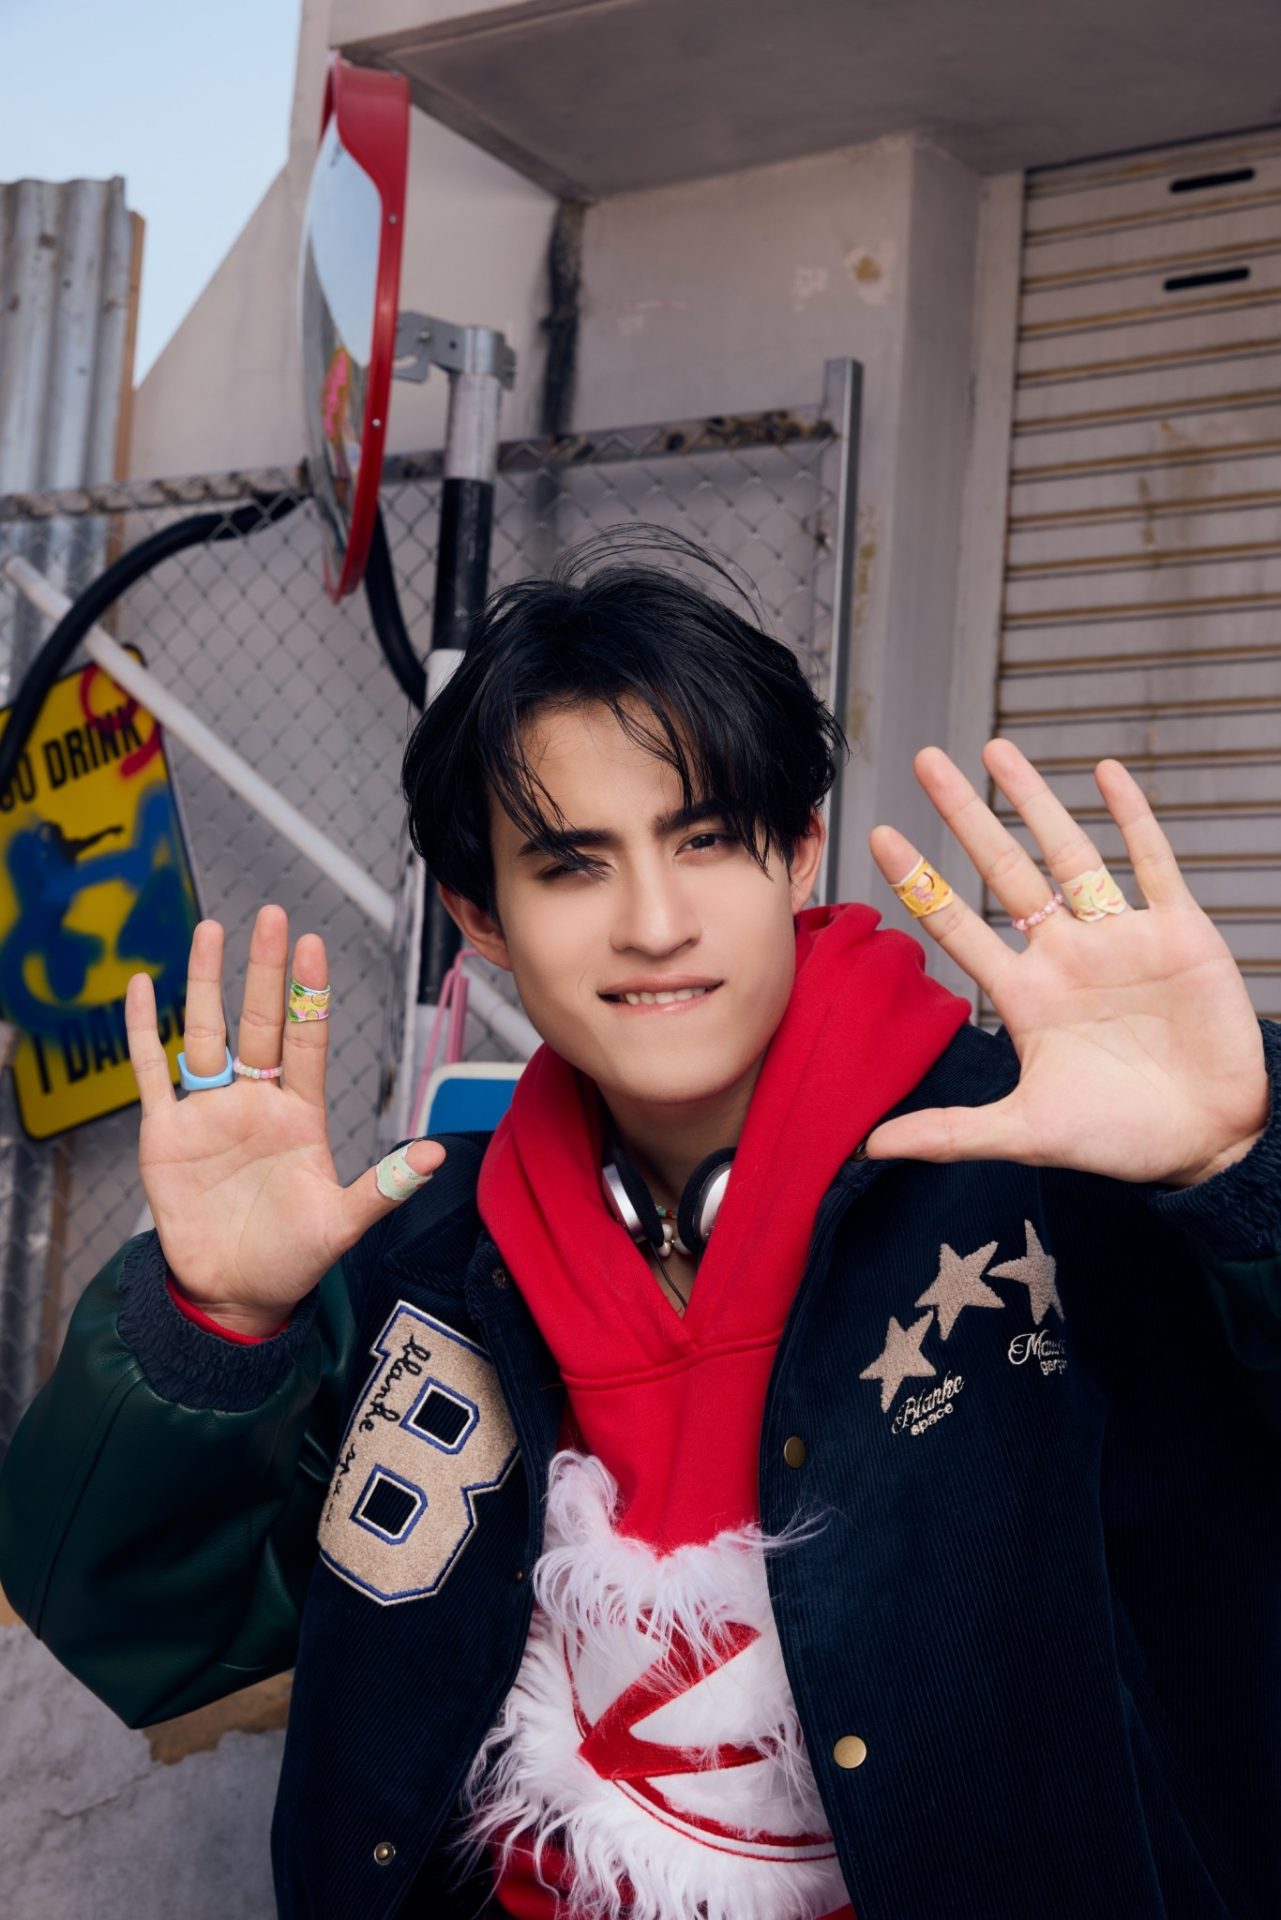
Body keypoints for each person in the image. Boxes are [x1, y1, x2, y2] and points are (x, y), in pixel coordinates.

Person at [0, 530, 1277, 1920]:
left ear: (798, 854)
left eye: (706, 839)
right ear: (481, 918)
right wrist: (218, 1329)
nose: (655, 923)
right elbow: (138, 1637)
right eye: (571, 865)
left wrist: (1239, 1169)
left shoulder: (1057, 1167)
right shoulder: (423, 1251)